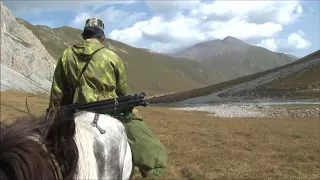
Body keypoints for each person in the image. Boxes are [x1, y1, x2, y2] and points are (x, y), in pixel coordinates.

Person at [47, 17, 167, 178]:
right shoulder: (111, 56)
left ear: (84, 35)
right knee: (136, 126)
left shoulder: (66, 55)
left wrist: (52, 114)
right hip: (110, 109)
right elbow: (122, 88)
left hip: (74, 110)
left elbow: (57, 90)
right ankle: (151, 166)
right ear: (102, 36)